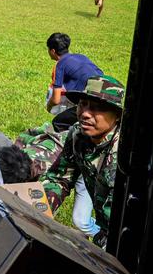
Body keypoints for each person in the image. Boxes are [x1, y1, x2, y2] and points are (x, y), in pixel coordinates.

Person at [41, 75, 125, 247]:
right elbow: (60, 177)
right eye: (82, 104)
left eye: (97, 108)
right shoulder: (77, 136)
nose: (85, 113)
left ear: (117, 115)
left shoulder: (125, 153)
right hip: (105, 231)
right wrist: (38, 211)